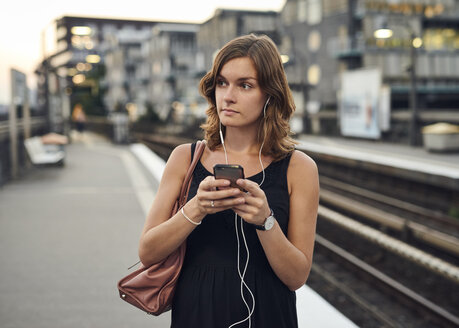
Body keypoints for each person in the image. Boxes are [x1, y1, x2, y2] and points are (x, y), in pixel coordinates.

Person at [138, 34, 319, 328]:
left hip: (268, 316)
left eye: (244, 85)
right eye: (222, 83)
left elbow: (296, 277)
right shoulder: (186, 158)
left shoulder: (299, 168)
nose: (228, 96)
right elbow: (148, 252)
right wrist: (196, 208)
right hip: (198, 313)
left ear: (270, 94)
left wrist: (265, 221)